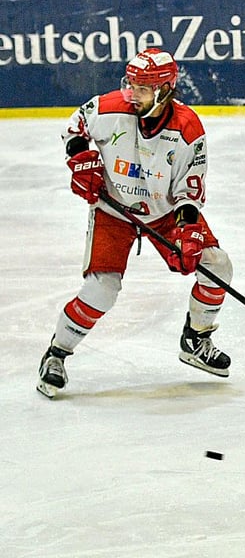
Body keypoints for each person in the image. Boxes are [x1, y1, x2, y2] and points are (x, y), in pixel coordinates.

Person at [37, 48, 234, 399]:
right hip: (114, 211)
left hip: (163, 211)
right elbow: (75, 127)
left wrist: (188, 230)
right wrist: (82, 159)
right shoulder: (109, 107)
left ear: (165, 90)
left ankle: (196, 339)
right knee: (102, 289)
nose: (132, 94)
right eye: (131, 84)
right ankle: (56, 354)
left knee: (216, 264)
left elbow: (189, 190)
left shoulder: (188, 129)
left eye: (142, 88)